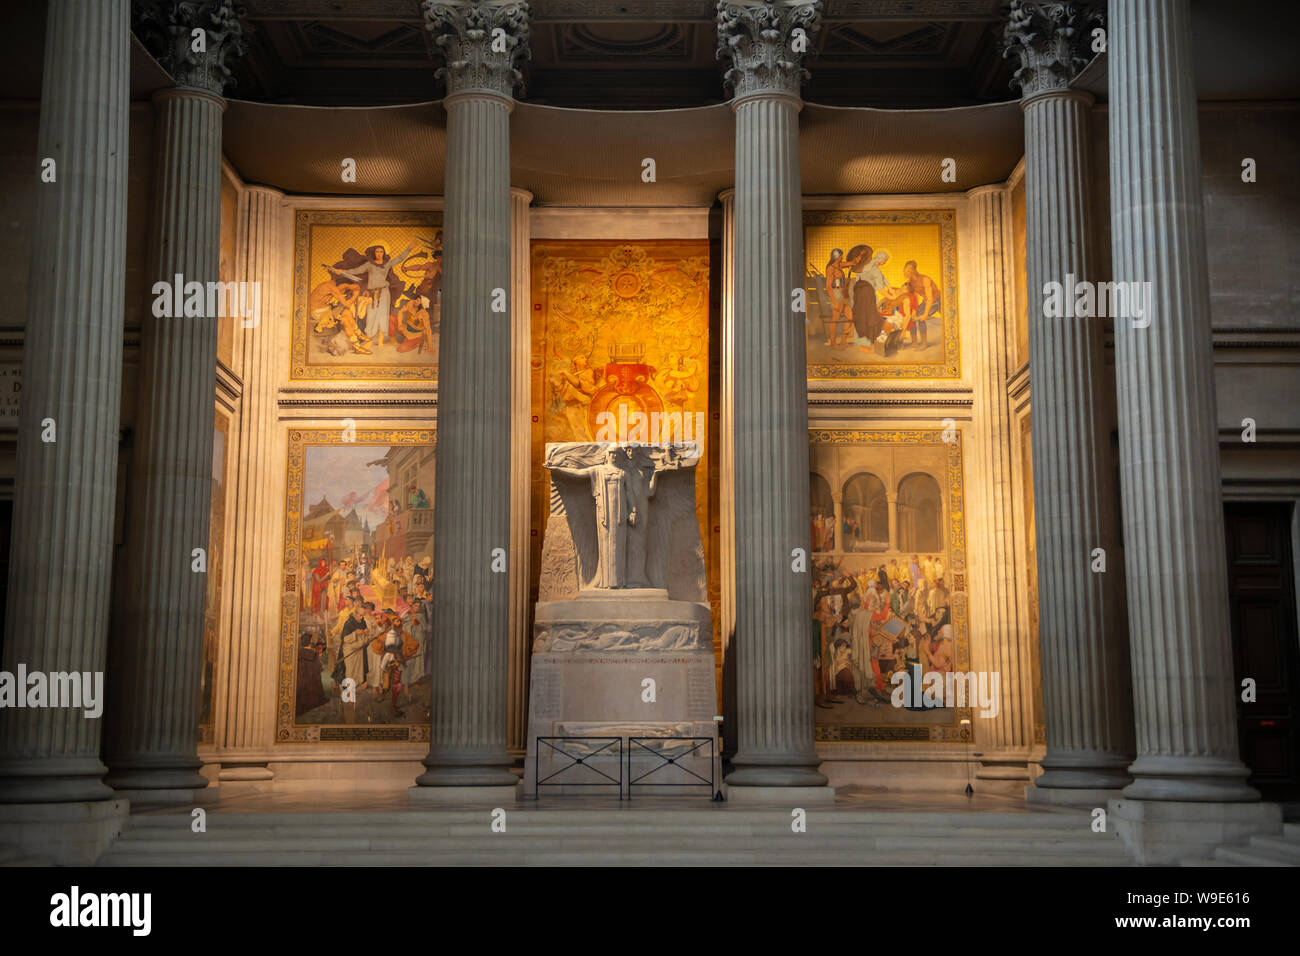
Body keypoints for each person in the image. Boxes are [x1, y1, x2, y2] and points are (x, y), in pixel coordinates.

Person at [327, 243, 415, 349]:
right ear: (374, 253)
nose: (379, 254)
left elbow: (399, 258)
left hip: (384, 293)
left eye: (381, 251)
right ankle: (369, 339)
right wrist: (341, 272)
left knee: (382, 316)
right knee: (371, 316)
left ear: (384, 253)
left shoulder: (387, 264)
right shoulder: (369, 265)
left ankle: (381, 341)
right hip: (373, 294)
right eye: (377, 251)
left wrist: (409, 248)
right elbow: (356, 271)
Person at [296, 632, 330, 717]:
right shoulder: (314, 655)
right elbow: (320, 669)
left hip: (301, 683)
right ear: (310, 643)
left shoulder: (298, 653)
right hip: (312, 684)